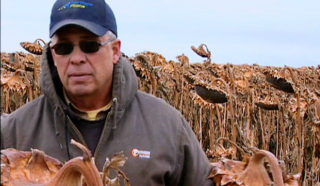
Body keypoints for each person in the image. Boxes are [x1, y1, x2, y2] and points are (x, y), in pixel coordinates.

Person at [1, 0, 213, 185]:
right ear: (53, 55)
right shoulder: (15, 131)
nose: (76, 58)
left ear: (115, 51)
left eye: (89, 46)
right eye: (64, 48)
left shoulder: (167, 126)